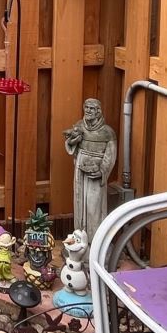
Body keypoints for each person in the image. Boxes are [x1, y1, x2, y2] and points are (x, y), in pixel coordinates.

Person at [63, 98, 117, 240]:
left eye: (91, 108)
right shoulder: (79, 126)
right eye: (86, 107)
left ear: (98, 112)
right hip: (80, 169)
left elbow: (110, 156)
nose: (88, 111)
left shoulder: (107, 132)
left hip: (96, 173)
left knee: (94, 206)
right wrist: (73, 140)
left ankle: (95, 242)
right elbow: (71, 145)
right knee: (79, 203)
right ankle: (79, 239)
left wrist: (101, 171)